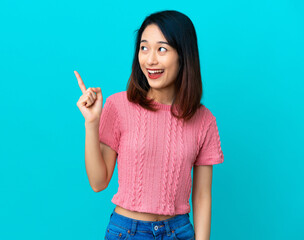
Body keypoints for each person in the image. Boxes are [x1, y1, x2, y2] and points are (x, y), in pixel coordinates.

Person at [75, 10, 224, 240]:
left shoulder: (204, 120)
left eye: (161, 49)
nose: (150, 60)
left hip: (179, 232)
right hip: (127, 232)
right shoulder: (118, 105)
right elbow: (98, 182)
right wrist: (92, 123)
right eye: (144, 48)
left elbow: (202, 196)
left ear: (183, 55)